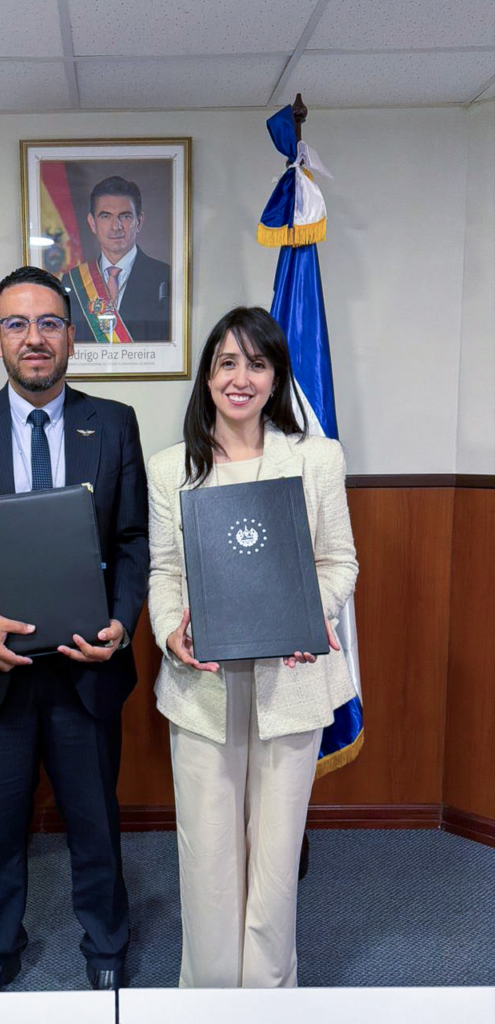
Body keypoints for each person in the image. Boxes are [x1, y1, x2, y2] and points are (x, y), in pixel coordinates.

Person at [0, 265, 149, 993]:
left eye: (48, 323)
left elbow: (132, 540)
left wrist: (121, 621)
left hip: (86, 665)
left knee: (94, 820)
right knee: (0, 823)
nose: (33, 338)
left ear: (71, 336)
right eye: (17, 324)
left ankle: (106, 946)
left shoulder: (114, 423)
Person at [147, 307, 358, 988]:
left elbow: (339, 562)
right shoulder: (170, 469)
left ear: (275, 378)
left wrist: (310, 614)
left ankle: (269, 997)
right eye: (227, 363)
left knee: (274, 859)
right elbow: (164, 573)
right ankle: (208, 997)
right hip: (204, 685)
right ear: (208, 377)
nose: (241, 378)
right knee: (207, 856)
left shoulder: (317, 459)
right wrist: (171, 630)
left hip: (289, 679)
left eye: (257, 364)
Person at [62, 175, 171, 343]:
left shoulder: (164, 276)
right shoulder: (72, 281)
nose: (116, 226)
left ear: (139, 221)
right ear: (92, 223)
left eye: (125, 216)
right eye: (106, 216)